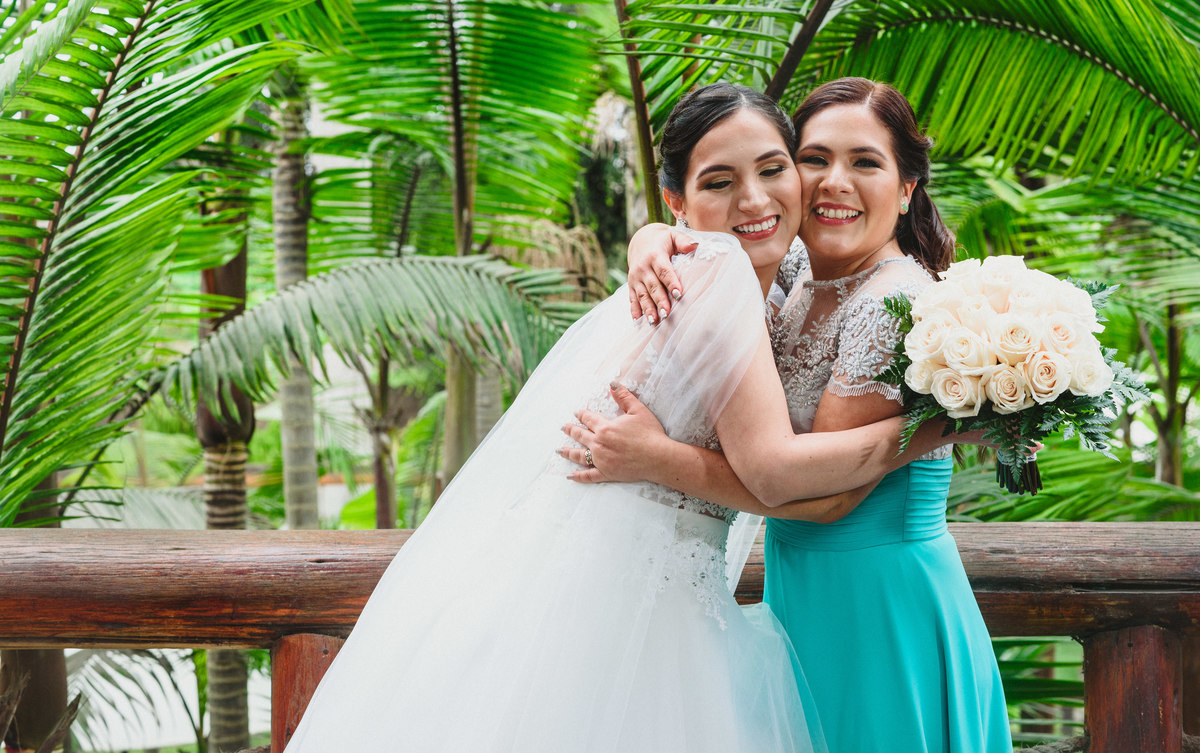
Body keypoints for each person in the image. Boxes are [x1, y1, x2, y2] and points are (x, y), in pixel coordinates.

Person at [282, 83, 968, 753]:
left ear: (908, 186)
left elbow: (796, 480)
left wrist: (657, 238)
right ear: (679, 199)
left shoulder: (757, 267)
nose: (761, 197)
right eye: (723, 180)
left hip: (642, 579)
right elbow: (770, 469)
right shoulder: (733, 269)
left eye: (773, 169)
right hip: (636, 588)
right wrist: (938, 428)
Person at [573, 77, 1012, 752]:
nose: (834, 181)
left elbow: (818, 496)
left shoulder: (892, 304)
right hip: (803, 594)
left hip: (877, 610)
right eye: (814, 159)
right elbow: (716, 238)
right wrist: (651, 238)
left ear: (906, 188)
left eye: (865, 162)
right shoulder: (803, 265)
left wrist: (946, 426)